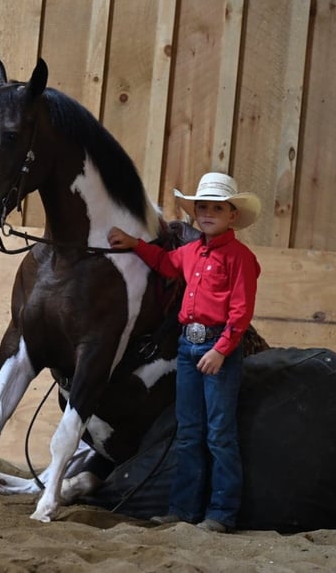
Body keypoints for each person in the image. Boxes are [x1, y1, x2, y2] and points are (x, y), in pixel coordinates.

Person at [107, 172, 261, 533]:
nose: (207, 214)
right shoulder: (190, 252)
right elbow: (165, 263)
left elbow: (241, 311)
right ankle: (183, 508)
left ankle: (221, 513)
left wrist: (222, 350)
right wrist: (134, 244)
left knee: (219, 432)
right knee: (189, 430)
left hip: (215, 348)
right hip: (188, 346)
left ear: (232, 215)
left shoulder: (240, 259)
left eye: (216, 208)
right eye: (202, 207)